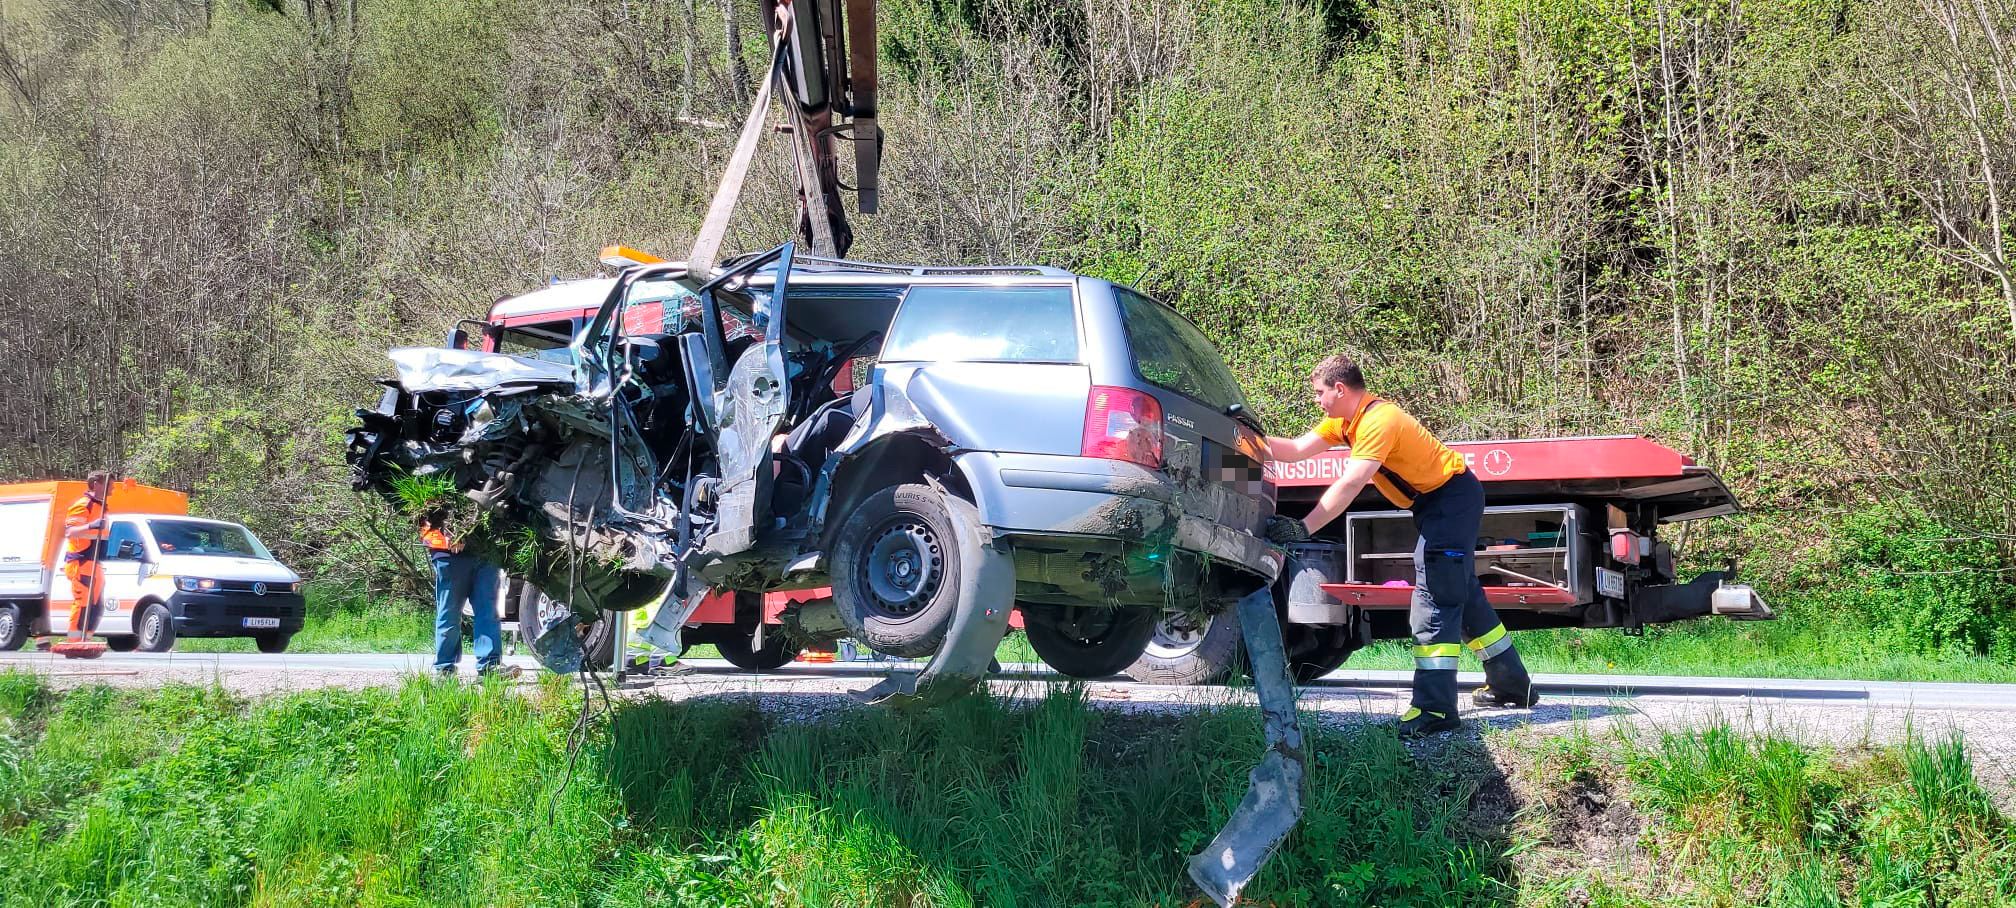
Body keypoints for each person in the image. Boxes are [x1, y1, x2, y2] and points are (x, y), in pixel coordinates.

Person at [1266, 355, 1536, 737]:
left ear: (1339, 389)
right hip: (1439, 504)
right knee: (1462, 593)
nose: (1316, 400)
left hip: (1450, 500)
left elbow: (1351, 482)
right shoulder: (1345, 422)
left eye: (1319, 393)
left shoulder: (1379, 420)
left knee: (1434, 598)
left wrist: (1303, 527)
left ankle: (1435, 709)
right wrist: (1246, 439)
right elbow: (1294, 450)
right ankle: (1512, 684)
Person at [419, 509, 519, 679]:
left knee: (488, 610)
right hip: (448, 553)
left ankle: (490, 667)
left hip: (486, 549)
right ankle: (444, 669)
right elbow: (428, 505)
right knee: (449, 611)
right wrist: (452, 530)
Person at [60, 471, 114, 643]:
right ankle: (74, 642)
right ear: (96, 484)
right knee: (83, 602)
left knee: (96, 605)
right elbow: (70, 531)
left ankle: (85, 641)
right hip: (80, 561)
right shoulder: (83, 505)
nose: (112, 489)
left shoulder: (102, 507)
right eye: (109, 486)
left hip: (94, 562)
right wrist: (91, 525)